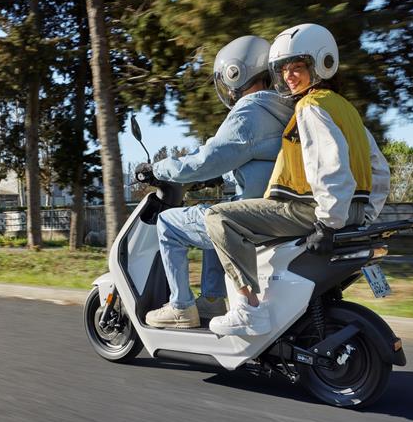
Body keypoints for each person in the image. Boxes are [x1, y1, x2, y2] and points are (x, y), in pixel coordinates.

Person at [204, 23, 390, 336]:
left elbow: (328, 168)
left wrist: (328, 223)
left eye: (299, 67)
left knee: (217, 217)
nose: (290, 75)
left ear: (322, 64)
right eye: (283, 69)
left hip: (312, 211)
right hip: (350, 212)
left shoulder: (310, 107)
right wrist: (365, 213)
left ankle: (247, 308)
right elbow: (379, 169)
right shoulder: (346, 109)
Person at [136, 35, 294, 329]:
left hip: (254, 216)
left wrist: (159, 169)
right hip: (275, 209)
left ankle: (181, 306)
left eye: (227, 78)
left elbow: (209, 158)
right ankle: (211, 300)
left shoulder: (250, 111)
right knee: (212, 211)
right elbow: (242, 155)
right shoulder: (281, 108)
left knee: (169, 223)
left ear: (237, 72)